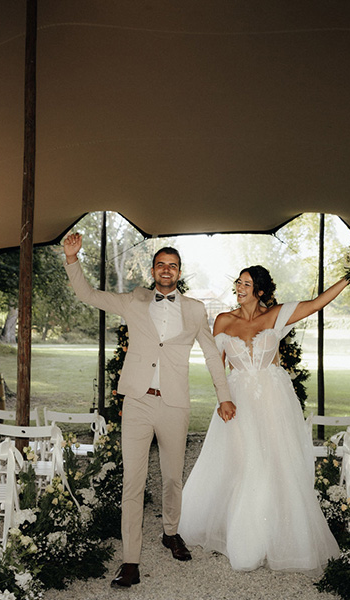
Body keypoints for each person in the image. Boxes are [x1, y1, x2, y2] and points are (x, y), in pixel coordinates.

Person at [62, 233, 233, 589]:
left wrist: (225, 396)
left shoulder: (195, 309)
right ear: (153, 269)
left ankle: (171, 532)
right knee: (133, 482)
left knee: (172, 477)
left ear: (179, 271)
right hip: (137, 401)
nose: (166, 270)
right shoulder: (135, 300)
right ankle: (130, 560)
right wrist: (72, 259)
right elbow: (88, 295)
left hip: (174, 404)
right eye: (161, 264)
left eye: (172, 265)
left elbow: (211, 355)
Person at [179, 264, 350, 573]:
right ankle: (244, 540)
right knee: (243, 463)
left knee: (275, 464)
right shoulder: (223, 320)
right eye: (238, 282)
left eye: (246, 284)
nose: (239, 287)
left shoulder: (275, 315)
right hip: (236, 401)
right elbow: (215, 363)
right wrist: (223, 399)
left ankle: (277, 538)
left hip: (273, 401)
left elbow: (316, 303)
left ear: (259, 291)